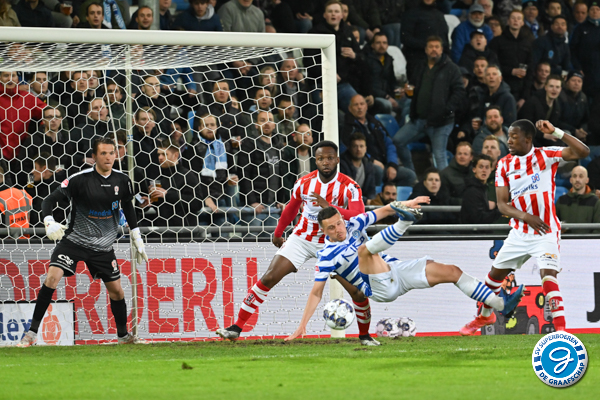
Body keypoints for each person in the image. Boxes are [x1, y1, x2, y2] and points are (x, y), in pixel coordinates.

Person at [286, 202, 524, 341]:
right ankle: (405, 222)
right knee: (364, 252)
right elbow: (316, 292)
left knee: (452, 271)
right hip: (378, 288)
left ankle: (497, 307)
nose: (339, 229)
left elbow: (384, 210)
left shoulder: (353, 224)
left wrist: (410, 202)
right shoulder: (326, 255)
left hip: (397, 270)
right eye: (331, 227)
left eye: (339, 222)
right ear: (323, 231)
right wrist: (302, 325)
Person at [216, 141, 366, 341]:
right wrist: (278, 232)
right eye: (321, 158)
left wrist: (328, 206)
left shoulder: (350, 186)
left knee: (357, 291)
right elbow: (292, 208)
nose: (326, 162)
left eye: (330, 158)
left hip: (334, 243)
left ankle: (365, 336)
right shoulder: (304, 183)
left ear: (337, 160)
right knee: (269, 277)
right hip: (302, 239)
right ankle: (236, 327)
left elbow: (359, 215)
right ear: (315, 161)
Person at [460, 119, 590, 335]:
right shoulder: (504, 164)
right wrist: (526, 217)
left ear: (528, 139)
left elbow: (583, 152)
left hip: (546, 231)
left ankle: (561, 330)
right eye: (509, 136)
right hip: (520, 232)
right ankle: (484, 316)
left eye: (514, 136)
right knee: (493, 279)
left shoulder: (545, 155)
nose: (509, 141)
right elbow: (502, 204)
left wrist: (556, 132)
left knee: (548, 277)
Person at [17, 137, 148, 347]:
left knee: (117, 291)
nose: (108, 157)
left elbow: (128, 206)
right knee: (51, 278)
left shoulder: (123, 180)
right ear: (94, 156)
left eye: (111, 153)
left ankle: (123, 336)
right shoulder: (79, 179)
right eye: (103, 153)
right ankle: (31, 333)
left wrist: (136, 235)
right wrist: (48, 221)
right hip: (74, 241)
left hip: (103, 246)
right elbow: (48, 200)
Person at [392, 36, 465, 171]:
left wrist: (447, 109)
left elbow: (459, 91)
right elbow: (414, 88)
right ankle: (411, 175)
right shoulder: (420, 66)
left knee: (439, 155)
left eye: (437, 47)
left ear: (442, 49)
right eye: (431, 47)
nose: (434, 50)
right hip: (419, 119)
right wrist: (409, 92)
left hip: (441, 122)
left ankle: (444, 184)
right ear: (426, 50)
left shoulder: (451, 68)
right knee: (398, 141)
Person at [343, 94, 416, 187]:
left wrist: (392, 164)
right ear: (350, 108)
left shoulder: (374, 122)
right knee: (378, 171)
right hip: (365, 166)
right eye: (356, 105)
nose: (359, 107)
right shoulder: (348, 128)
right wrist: (372, 161)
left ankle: (391, 194)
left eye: (362, 104)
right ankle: (376, 195)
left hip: (384, 164)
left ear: (366, 106)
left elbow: (389, 144)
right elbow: (353, 150)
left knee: (410, 175)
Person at [488, 10, 534, 108]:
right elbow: (493, 65)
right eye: (513, 18)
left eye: (519, 18)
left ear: (522, 23)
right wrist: (511, 71)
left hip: (521, 90)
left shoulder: (528, 43)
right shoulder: (497, 42)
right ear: (508, 21)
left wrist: (524, 97)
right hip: (501, 88)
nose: (515, 21)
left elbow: (530, 70)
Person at [0, 70, 46, 162]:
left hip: (23, 153)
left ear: (18, 78)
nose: (10, 79)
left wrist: (39, 134)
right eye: (6, 75)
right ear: (0, 78)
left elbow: (48, 113)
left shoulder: (27, 97)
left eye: (13, 75)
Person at [401, 0, 449, 82]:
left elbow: (445, 40)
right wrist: (427, 46)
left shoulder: (439, 15)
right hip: (417, 60)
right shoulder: (411, 14)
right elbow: (405, 38)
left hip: (438, 60)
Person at [518, 74, 564, 147]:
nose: (554, 90)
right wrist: (543, 135)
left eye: (557, 87)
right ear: (545, 87)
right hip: (528, 137)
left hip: (543, 138)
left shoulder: (557, 105)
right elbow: (524, 126)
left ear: (560, 89)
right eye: (551, 86)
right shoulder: (532, 102)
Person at [364, 32, 401, 115]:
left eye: (384, 43)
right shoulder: (366, 60)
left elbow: (392, 80)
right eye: (378, 43)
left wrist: (398, 90)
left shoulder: (389, 59)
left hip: (388, 95)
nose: (382, 46)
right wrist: (386, 96)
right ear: (372, 45)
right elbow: (368, 85)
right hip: (374, 97)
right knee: (387, 105)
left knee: (408, 101)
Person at [556, 166, 600, 233]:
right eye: (574, 176)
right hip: (565, 240)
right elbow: (554, 226)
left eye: (581, 176)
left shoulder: (595, 202)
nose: (577, 179)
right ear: (571, 180)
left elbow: (598, 230)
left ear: (587, 180)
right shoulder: (561, 200)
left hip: (589, 240)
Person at [460, 154, 502, 224]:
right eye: (481, 167)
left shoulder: (483, 188)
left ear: (491, 170)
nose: (484, 170)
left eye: (487, 167)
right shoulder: (471, 191)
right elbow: (478, 218)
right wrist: (500, 210)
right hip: (473, 230)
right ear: (474, 169)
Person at [571, 0, 600, 99]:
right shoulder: (580, 28)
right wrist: (578, 67)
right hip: (585, 72)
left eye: (597, 9)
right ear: (588, 12)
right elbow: (572, 50)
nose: (595, 11)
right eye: (592, 9)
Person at [280, 123, 315, 202]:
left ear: (312, 139)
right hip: (293, 202)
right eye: (302, 133)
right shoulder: (288, 157)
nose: (305, 136)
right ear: (295, 138)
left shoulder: (315, 159)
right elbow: (286, 181)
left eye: (308, 134)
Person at [339, 132, 377, 203]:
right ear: (349, 148)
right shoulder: (341, 165)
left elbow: (371, 190)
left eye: (361, 146)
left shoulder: (369, 166)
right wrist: (366, 201)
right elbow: (346, 192)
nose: (358, 149)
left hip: (362, 204)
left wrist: (371, 202)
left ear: (365, 149)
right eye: (355, 146)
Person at [558, 71, 589, 140]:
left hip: (578, 131)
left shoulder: (583, 98)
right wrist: (574, 131)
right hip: (563, 131)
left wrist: (582, 129)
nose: (576, 83)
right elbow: (556, 121)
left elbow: (586, 119)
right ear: (567, 82)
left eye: (579, 81)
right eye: (573, 80)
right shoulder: (560, 96)